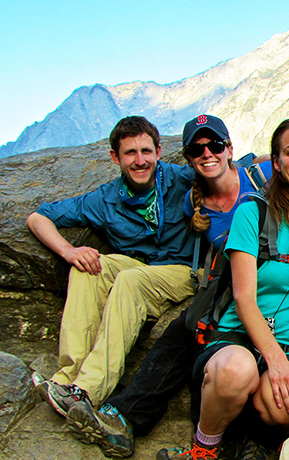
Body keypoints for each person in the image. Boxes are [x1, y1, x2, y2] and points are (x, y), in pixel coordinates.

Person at [61, 114, 272, 458]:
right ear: (187, 159)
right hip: (230, 286)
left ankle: (234, 443)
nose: (207, 153)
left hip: (277, 282)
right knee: (187, 328)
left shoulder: (260, 175)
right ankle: (124, 417)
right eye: (197, 149)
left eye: (215, 144)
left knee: (215, 343)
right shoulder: (195, 201)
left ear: (230, 148)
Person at [161, 117, 289, 459]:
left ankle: (245, 438)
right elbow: (243, 297)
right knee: (235, 371)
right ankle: (203, 449)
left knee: (284, 404)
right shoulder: (253, 214)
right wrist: (275, 361)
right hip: (236, 338)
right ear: (276, 163)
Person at [26, 116, 198, 423]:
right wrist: (69, 250)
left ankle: (88, 390)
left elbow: (240, 168)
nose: (140, 160)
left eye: (146, 151)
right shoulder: (105, 199)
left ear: (159, 151)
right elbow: (39, 217)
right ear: (115, 157)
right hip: (141, 267)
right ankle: (66, 378)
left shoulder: (184, 178)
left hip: (183, 270)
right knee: (87, 267)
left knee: (130, 281)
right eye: (130, 153)